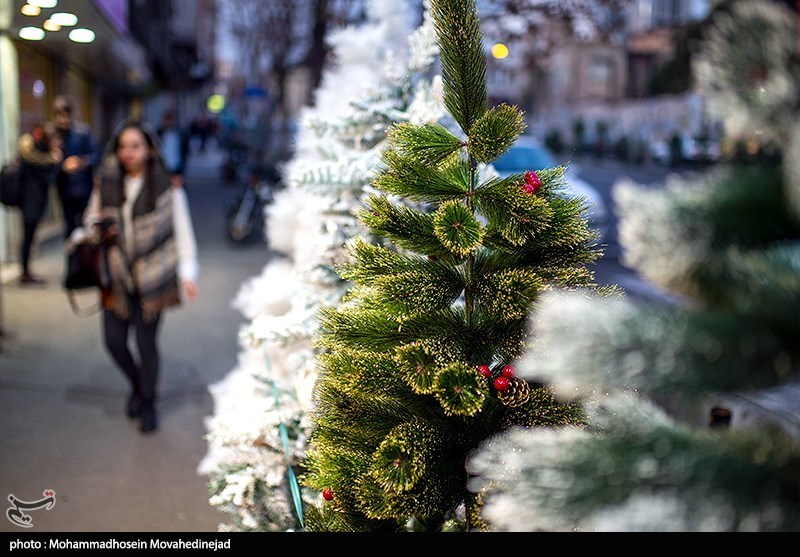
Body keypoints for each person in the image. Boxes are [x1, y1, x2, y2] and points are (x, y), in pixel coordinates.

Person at [80, 119, 199, 434]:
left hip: (154, 278)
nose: (128, 153)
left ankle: (148, 403)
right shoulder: (105, 184)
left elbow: (182, 234)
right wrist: (99, 228)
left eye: (135, 146)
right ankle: (137, 386)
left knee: (146, 345)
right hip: (116, 277)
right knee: (114, 341)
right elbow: (88, 225)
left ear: (148, 150)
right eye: (123, 147)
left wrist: (188, 272)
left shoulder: (167, 187)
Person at [17, 123, 63, 285]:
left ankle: (25, 271)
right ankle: (25, 272)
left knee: (28, 237)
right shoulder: (38, 155)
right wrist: (54, 160)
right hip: (31, 200)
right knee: (28, 237)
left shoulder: (38, 154)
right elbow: (48, 178)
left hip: (31, 200)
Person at [52, 95, 97, 240]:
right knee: (69, 227)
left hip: (83, 187)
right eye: (60, 116)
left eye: (66, 116)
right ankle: (72, 261)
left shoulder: (82, 133)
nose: (63, 120)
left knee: (84, 226)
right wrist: (60, 165)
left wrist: (80, 162)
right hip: (65, 190)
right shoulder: (53, 135)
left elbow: (95, 155)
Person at [156, 110, 189, 187]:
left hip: (176, 165)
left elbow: (184, 149)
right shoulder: (159, 133)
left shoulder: (179, 133)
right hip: (163, 165)